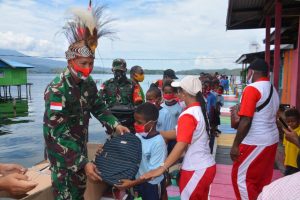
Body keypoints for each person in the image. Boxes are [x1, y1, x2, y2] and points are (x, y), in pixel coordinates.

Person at [43, 4, 129, 200]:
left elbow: (98, 107)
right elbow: (56, 135)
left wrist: (115, 125)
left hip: (80, 152)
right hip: (63, 159)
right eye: (83, 64)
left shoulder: (87, 83)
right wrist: (83, 162)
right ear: (70, 62)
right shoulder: (57, 90)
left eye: (91, 63)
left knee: (80, 193)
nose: (88, 69)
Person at [141, 76, 216, 200]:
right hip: (205, 166)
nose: (177, 93)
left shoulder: (188, 115)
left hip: (195, 169)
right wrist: (154, 132)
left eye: (178, 90)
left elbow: (181, 144)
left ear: (184, 93)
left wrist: (161, 168)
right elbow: (177, 133)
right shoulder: (198, 110)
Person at [230, 58, 279, 200]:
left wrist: (235, 145)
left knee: (240, 179)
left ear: (251, 72)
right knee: (261, 180)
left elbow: (246, 120)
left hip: (255, 141)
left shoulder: (252, 89)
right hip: (271, 140)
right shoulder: (272, 89)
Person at [115, 102, 167, 200]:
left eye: (139, 122)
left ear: (151, 123)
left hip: (152, 185)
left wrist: (131, 183)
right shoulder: (139, 135)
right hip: (139, 181)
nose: (135, 124)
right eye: (135, 121)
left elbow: (152, 174)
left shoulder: (158, 143)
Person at [161, 80, 183, 153]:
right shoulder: (161, 107)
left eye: (170, 92)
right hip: (162, 137)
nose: (167, 94)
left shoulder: (179, 108)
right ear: (162, 93)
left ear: (174, 93)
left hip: (174, 138)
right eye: (165, 92)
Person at [282, 108, 300, 175]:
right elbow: (285, 146)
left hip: (297, 165)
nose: (290, 124)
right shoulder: (287, 132)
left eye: (293, 121)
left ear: (298, 120)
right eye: (288, 122)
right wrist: (284, 157)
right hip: (288, 163)